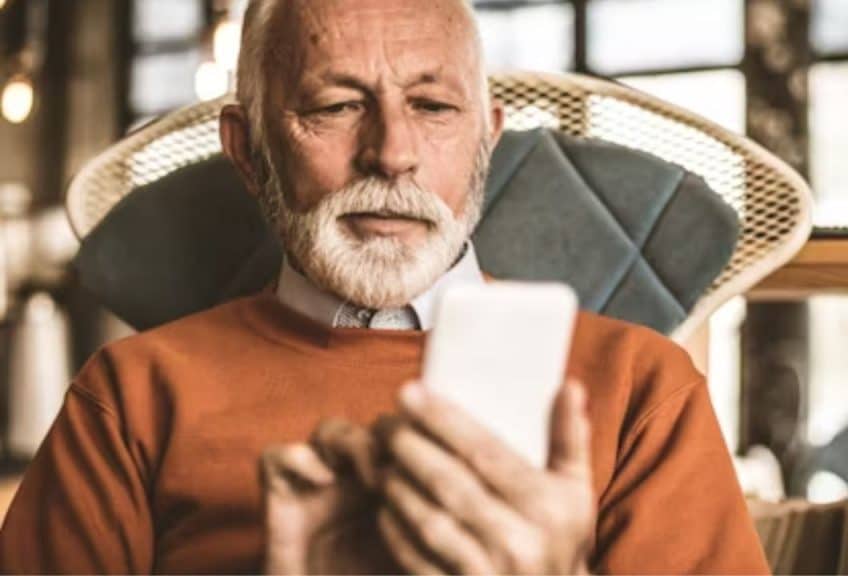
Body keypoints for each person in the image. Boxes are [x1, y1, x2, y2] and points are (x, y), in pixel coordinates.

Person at [0, 0, 769, 573]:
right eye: (336, 107)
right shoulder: (130, 399)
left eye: (433, 106)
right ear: (247, 149)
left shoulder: (643, 391)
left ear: (485, 142)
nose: (392, 154)